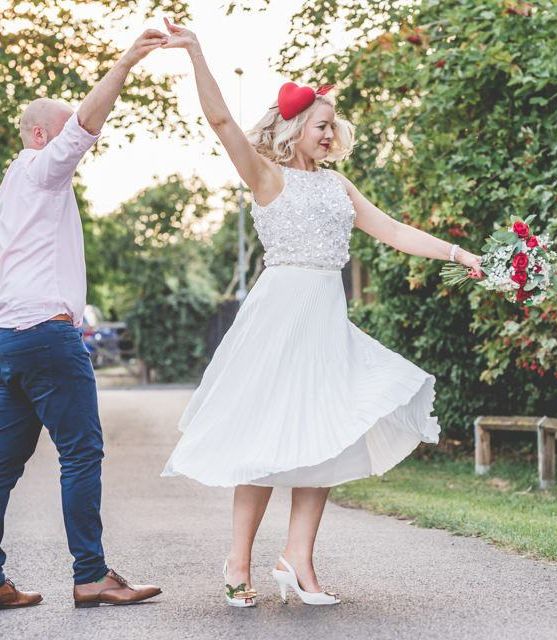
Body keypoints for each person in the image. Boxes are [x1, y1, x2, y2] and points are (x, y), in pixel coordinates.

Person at [159, 18, 484, 608]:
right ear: (295, 128)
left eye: (334, 126)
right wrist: (197, 55)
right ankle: (237, 563)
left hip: (325, 320)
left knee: (323, 433)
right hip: (279, 316)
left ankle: (297, 559)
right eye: (322, 125)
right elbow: (222, 122)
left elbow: (391, 229)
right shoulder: (266, 176)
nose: (331, 134)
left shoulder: (339, 187)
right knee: (264, 437)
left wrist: (458, 253)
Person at [0, 29, 168, 609]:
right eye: (64, 129)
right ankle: (92, 575)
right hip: (46, 334)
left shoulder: (10, 189)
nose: (79, 142)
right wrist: (126, 60)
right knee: (80, 454)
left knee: (0, 466)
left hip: (6, 340)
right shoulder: (42, 170)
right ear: (41, 134)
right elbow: (85, 126)